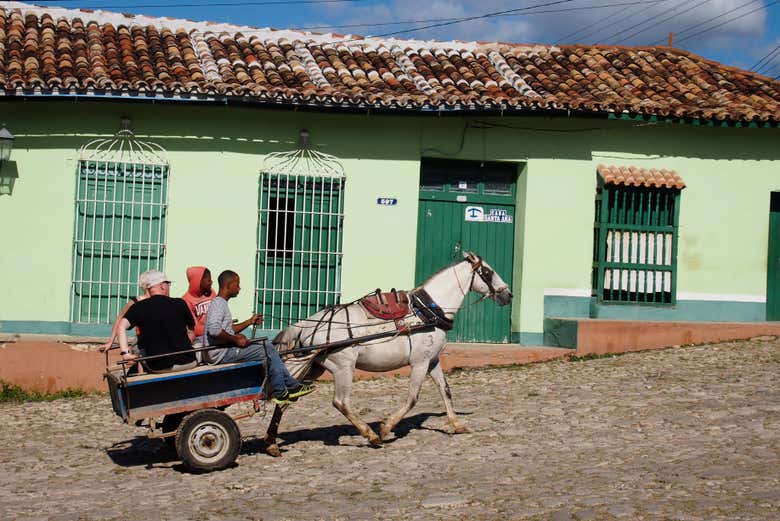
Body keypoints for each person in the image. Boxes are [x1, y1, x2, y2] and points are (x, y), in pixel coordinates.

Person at [204, 269, 314, 405]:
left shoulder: (221, 303)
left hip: (222, 350)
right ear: (229, 285)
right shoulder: (218, 304)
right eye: (237, 284)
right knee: (269, 350)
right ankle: (281, 391)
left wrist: (249, 322)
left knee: (267, 345)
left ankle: (291, 386)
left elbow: (227, 329)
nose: (239, 288)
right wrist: (236, 340)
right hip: (221, 354)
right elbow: (214, 330)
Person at [118, 270, 197, 372]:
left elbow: (121, 326)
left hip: (159, 367)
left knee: (141, 350)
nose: (169, 287)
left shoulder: (138, 307)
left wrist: (125, 353)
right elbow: (192, 332)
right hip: (188, 362)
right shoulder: (180, 303)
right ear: (163, 286)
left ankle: (141, 376)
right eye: (168, 284)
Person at [100, 271, 151, 352]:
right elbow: (119, 319)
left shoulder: (162, 300)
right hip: (141, 341)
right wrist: (111, 342)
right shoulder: (135, 302)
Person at [182, 266, 216, 347]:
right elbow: (195, 329)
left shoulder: (212, 293)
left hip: (216, 332)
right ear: (198, 281)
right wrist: (216, 329)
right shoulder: (186, 300)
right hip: (199, 338)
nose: (211, 282)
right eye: (208, 280)